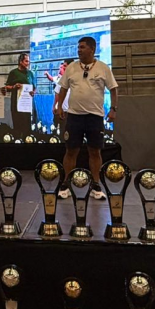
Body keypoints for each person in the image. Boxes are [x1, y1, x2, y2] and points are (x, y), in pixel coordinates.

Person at [55, 36, 118, 200]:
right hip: (74, 116)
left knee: (95, 151)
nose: (79, 50)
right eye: (78, 47)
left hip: (94, 117)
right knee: (71, 151)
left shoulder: (103, 68)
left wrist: (113, 109)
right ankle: (66, 184)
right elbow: (63, 88)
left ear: (92, 49)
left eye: (82, 47)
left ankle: (95, 185)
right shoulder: (72, 67)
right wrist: (60, 106)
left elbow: (113, 89)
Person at [5, 53, 36, 138]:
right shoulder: (13, 73)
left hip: (27, 106)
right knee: (17, 128)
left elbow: (34, 88)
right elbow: (6, 87)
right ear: (20, 62)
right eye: (26, 61)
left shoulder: (30, 74)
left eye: (28, 61)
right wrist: (14, 87)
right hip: (16, 106)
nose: (28, 63)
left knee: (27, 128)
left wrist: (33, 92)